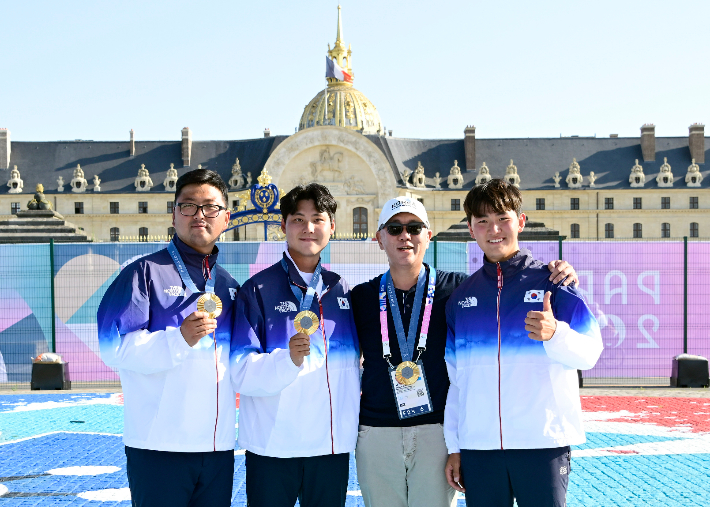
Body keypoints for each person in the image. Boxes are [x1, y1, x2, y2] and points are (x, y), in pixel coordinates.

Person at [351, 196, 579, 507]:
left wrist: (557, 271)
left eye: (414, 227)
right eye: (394, 229)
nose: (405, 235)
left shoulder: (456, 290)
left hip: (436, 431)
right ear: (380, 239)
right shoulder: (361, 297)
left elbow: (504, 284)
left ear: (428, 236)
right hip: (378, 430)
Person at [444, 179, 603, 507]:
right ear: (471, 230)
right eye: (482, 222)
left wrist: (555, 333)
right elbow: (456, 383)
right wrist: (455, 446)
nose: (494, 229)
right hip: (480, 448)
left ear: (521, 221)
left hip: (542, 443)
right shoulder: (460, 298)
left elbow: (590, 352)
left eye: (503, 218)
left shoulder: (555, 281)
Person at [97, 169, 239, 507]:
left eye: (210, 207)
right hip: (159, 447)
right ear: (174, 214)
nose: (199, 215)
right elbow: (112, 348)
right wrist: (179, 339)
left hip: (217, 448)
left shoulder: (229, 287)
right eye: (188, 206)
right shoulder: (142, 273)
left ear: (226, 218)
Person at [230, 183, 360, 507]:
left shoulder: (340, 289)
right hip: (274, 447)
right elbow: (240, 371)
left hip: (328, 449)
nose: (309, 228)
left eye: (318, 218)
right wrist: (287, 360)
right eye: (298, 219)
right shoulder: (257, 289)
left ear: (332, 227)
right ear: (284, 225)